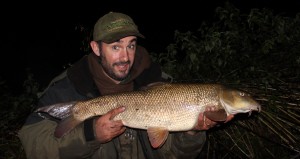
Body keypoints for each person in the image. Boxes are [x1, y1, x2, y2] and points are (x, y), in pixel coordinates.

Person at [18, 11, 234, 159]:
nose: (125, 57)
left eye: (131, 45)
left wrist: (193, 132)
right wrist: (89, 134)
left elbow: (175, 154)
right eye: (115, 47)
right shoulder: (68, 87)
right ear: (96, 48)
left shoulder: (160, 83)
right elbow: (34, 147)